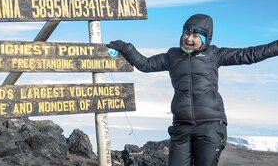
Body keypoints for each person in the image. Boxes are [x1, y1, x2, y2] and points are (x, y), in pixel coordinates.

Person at [107, 13, 278, 166]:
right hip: (181, 126)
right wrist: (126, 48)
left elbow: (249, 54)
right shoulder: (172, 56)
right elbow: (145, 65)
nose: (189, 38)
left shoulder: (214, 54)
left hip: (210, 126)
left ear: (205, 40)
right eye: (187, 33)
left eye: (196, 35)